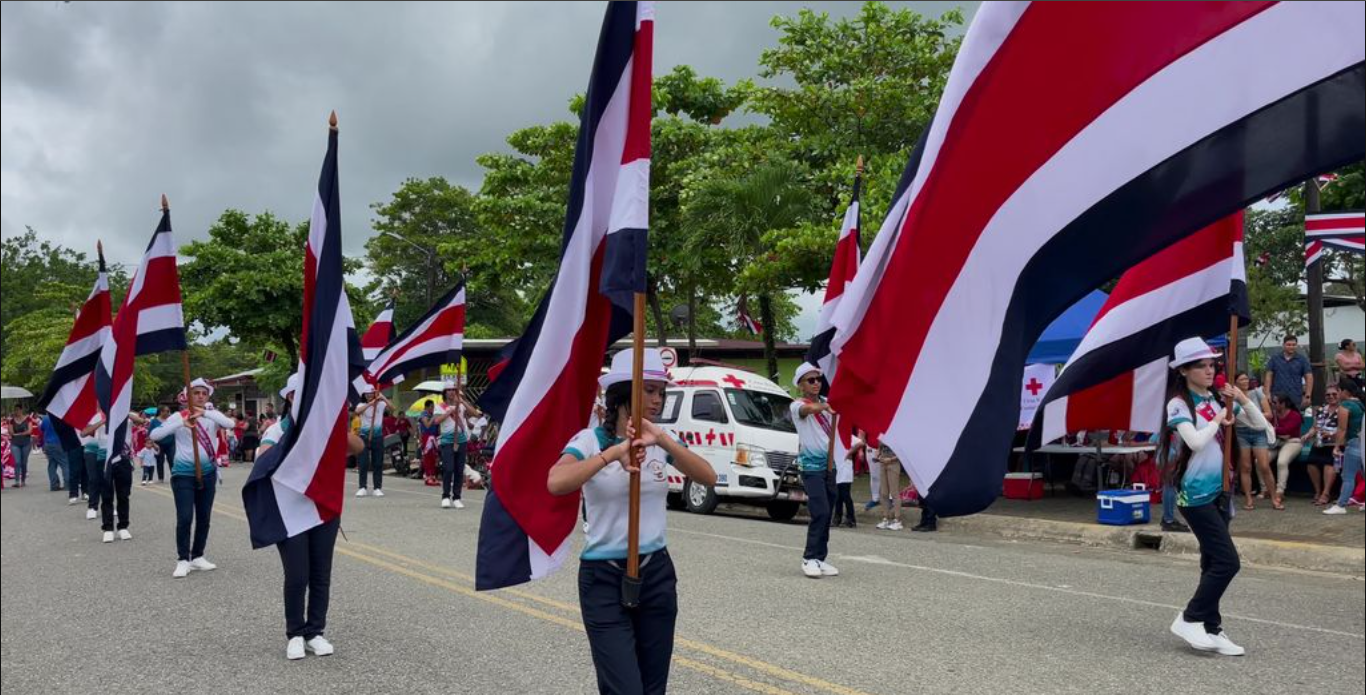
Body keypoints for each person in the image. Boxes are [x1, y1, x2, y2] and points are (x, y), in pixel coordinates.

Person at [547, 348, 716, 695]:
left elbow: (708, 476)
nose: (658, 399)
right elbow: (556, 482)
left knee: (653, 688)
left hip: (655, 573)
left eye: (661, 392)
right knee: (625, 688)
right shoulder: (591, 440)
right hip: (603, 577)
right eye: (649, 390)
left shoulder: (659, 440)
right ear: (624, 392)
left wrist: (664, 440)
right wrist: (613, 454)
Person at [1161, 337, 1267, 656]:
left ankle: (1211, 626)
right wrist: (1219, 417)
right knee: (1227, 561)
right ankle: (1190, 617)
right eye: (1201, 365)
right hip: (1195, 495)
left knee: (1211, 562)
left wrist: (1241, 399)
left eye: (1212, 365)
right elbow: (1194, 441)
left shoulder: (1217, 398)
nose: (1209, 370)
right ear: (1183, 371)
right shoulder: (1179, 403)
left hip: (1222, 492)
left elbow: (1264, 428)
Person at [150, 378, 235, 578]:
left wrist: (204, 412)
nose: (199, 396)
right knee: (185, 517)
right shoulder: (179, 416)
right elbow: (155, 435)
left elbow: (230, 423)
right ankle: (182, 559)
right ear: (187, 395)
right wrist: (182, 422)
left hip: (208, 472)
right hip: (183, 473)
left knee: (204, 517)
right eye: (195, 393)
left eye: (203, 393)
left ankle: (198, 555)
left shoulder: (212, 415)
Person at [789, 362, 839, 578]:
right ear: (801, 385)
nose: (816, 383)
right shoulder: (797, 405)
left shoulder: (829, 403)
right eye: (811, 380)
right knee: (820, 511)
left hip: (830, 466)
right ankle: (809, 558)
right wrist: (826, 407)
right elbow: (808, 409)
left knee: (829, 514)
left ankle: (820, 558)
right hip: (810, 467)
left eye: (818, 379)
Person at [434, 383, 483, 509]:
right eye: (448, 390)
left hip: (461, 440)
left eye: (453, 390)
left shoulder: (461, 405)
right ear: (445, 392)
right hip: (447, 441)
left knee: (459, 470)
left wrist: (462, 402)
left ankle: (457, 497)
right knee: (448, 468)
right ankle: (445, 496)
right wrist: (450, 411)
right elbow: (436, 421)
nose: (451, 392)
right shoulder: (440, 406)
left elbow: (476, 414)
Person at [1232, 372, 1275, 510]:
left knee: (1264, 465)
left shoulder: (1257, 393)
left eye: (1246, 378)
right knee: (1246, 466)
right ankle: (1249, 499)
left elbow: (1269, 414)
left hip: (1258, 431)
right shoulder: (1233, 397)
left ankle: (1274, 497)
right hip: (1241, 431)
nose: (1245, 381)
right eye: (1241, 379)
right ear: (1236, 382)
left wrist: (1252, 414)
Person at [1323, 378, 1365, 515]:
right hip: (1362, 442)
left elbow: (1342, 429)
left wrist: (1336, 447)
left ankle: (1341, 505)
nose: (1337, 393)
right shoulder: (1360, 404)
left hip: (1353, 444)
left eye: (1338, 391)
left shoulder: (1345, 406)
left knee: (1348, 476)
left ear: (1344, 391)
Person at [1304, 385, 1342, 505]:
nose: (1331, 397)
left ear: (1339, 394)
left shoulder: (1343, 410)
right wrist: (1308, 435)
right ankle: (1317, 491)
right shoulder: (1321, 409)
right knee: (1311, 463)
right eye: (1328, 395)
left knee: (1328, 464)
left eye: (1334, 394)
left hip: (1335, 444)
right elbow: (1315, 427)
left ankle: (1326, 493)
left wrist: (1331, 434)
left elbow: (1344, 429)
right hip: (1320, 443)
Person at [353, 386, 391, 498]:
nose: (369, 395)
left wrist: (382, 397)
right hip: (364, 437)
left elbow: (392, 408)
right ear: (364, 394)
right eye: (367, 393)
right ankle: (362, 487)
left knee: (378, 463)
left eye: (371, 393)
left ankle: (377, 488)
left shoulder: (381, 404)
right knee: (363, 463)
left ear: (375, 393)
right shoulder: (361, 405)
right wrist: (371, 403)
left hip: (378, 437)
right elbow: (357, 411)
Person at [1268, 395, 1304, 508]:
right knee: (1259, 461)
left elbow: (1288, 430)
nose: (1272, 405)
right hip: (1276, 442)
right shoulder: (1273, 415)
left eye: (1275, 402)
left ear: (1283, 404)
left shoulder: (1295, 415)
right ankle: (1265, 489)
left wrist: (1272, 429)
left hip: (1292, 442)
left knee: (1282, 462)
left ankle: (1280, 491)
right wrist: (1277, 431)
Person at [1264, 334, 1314, 411]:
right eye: (1289, 345)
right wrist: (1267, 394)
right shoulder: (1275, 359)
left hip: (1295, 398)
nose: (1291, 347)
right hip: (1277, 397)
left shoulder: (1302, 360)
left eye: (1294, 345)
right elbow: (1268, 376)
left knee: (1294, 419)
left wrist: (1308, 395)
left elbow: (1309, 377)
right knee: (1276, 420)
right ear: (1283, 345)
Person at [831, 432, 863, 528]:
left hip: (845, 467)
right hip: (837, 467)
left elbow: (861, 443)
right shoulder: (833, 435)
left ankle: (851, 518)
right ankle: (837, 518)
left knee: (845, 494)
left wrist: (850, 452)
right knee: (837, 495)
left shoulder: (846, 434)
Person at [80, 413, 108, 521]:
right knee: (93, 478)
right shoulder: (93, 416)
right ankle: (92, 506)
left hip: (106, 449)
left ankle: (108, 504)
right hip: (91, 449)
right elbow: (84, 433)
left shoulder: (114, 413)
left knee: (107, 479)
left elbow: (140, 421)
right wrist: (101, 422)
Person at [874, 443, 904, 531]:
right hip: (883, 463)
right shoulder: (882, 434)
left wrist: (891, 459)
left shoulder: (897, 434)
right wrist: (877, 455)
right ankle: (885, 518)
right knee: (884, 493)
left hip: (893, 463)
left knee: (894, 492)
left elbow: (902, 453)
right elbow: (879, 448)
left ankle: (897, 520)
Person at [7, 406, 33, 488]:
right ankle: (17, 481)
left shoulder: (28, 419)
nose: (16, 411)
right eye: (15, 410)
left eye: (18, 410)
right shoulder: (11, 421)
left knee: (24, 462)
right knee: (17, 462)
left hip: (26, 442)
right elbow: (11, 432)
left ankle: (23, 480)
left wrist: (19, 434)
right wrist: (21, 433)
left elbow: (30, 431)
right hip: (15, 443)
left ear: (21, 410)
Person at [40, 413, 67, 492]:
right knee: (64, 464)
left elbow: (41, 429)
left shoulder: (45, 418)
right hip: (59, 443)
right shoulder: (61, 417)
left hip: (48, 444)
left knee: (52, 465)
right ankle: (68, 484)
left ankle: (54, 484)